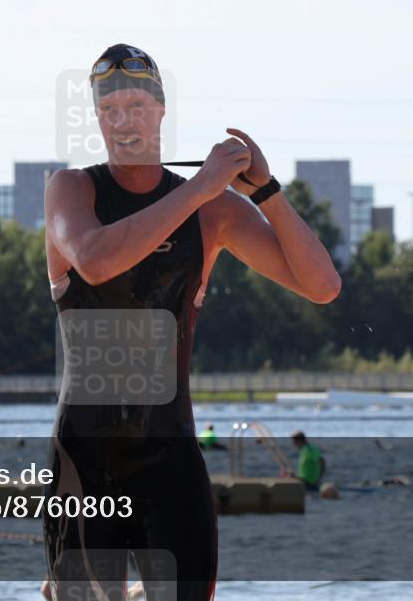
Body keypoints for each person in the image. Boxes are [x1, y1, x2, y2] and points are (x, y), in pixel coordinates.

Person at [43, 44, 341, 600]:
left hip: (170, 457)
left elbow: (322, 286)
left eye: (135, 105)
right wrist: (201, 188)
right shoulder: (73, 190)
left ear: (160, 111)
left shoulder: (214, 211)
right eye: (109, 110)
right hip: (86, 458)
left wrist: (268, 192)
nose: (123, 121)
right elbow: (97, 260)